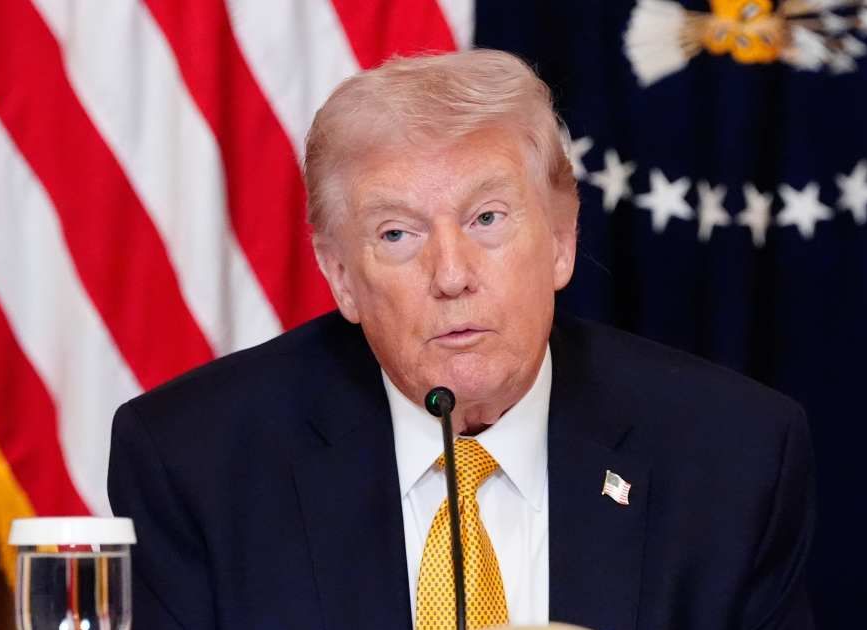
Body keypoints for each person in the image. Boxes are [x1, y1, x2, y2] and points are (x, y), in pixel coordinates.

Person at [108, 49, 815, 630]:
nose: (451, 275)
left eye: (487, 219)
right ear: (341, 276)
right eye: (397, 234)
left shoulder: (733, 456)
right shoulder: (194, 463)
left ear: (563, 241)